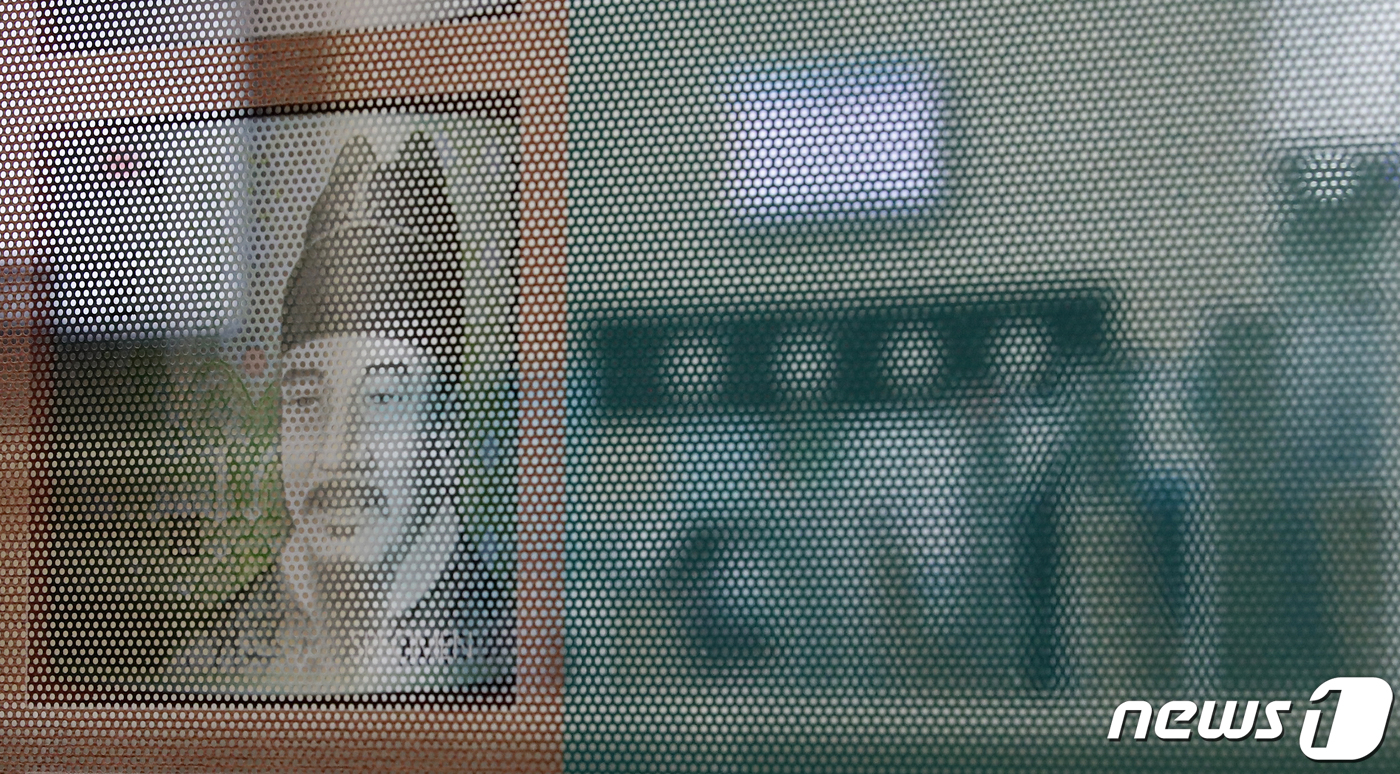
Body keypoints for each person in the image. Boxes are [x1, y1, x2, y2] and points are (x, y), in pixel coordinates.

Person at [164, 132, 512, 696]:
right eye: (306, 402)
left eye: (383, 400)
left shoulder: (512, 658)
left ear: (446, 434)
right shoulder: (212, 666)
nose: (336, 453)